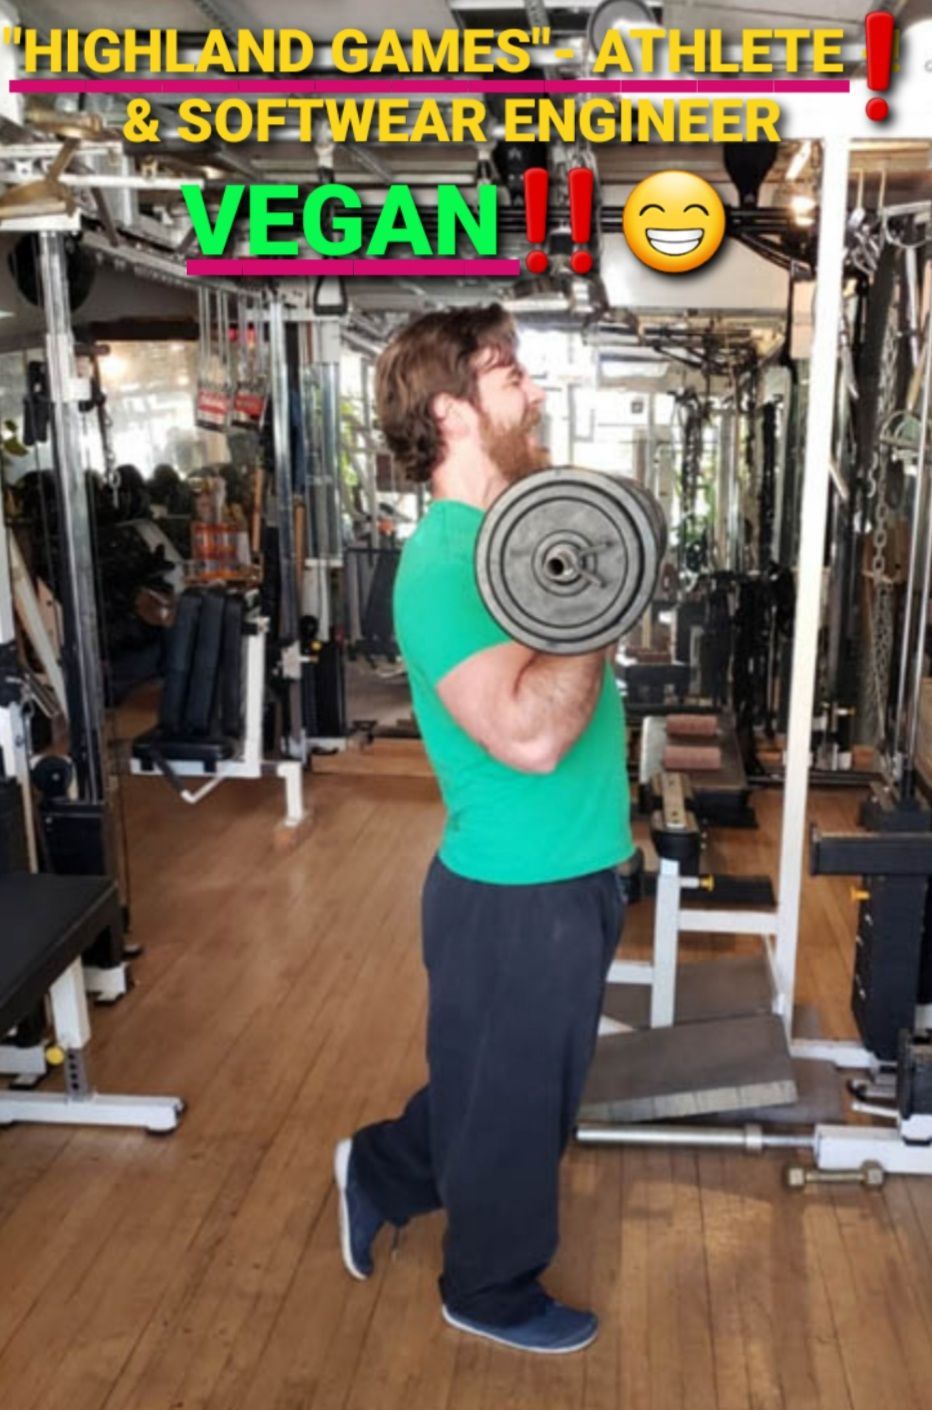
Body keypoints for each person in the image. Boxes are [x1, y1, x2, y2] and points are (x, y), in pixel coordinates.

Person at [334, 304, 632, 1355]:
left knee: (506, 1082)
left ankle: (382, 1167)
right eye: (512, 377)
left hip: (574, 865)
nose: (535, 393)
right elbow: (529, 735)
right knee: (515, 1107)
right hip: (516, 886)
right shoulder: (442, 567)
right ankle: (486, 1288)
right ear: (453, 411)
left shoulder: (517, 533)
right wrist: (600, 604)